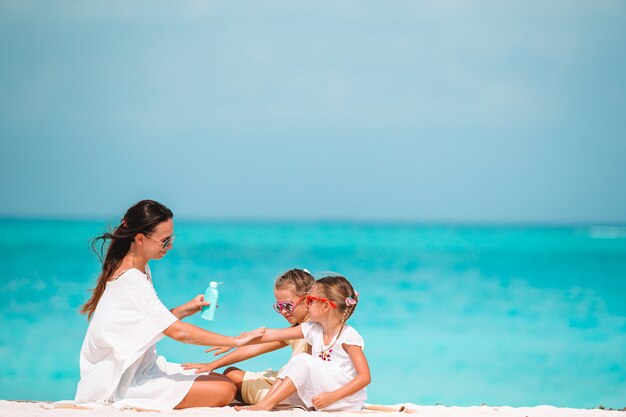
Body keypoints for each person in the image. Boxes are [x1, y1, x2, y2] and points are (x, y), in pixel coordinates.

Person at [75, 200, 264, 411]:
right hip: (121, 381)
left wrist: (184, 309)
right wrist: (234, 341)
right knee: (224, 390)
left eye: (171, 239)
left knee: (219, 380)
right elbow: (177, 332)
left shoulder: (140, 268)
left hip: (141, 368)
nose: (170, 246)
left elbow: (150, 321)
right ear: (140, 239)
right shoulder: (132, 278)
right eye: (165, 241)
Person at [236, 275, 370, 412]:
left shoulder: (348, 336)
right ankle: (266, 403)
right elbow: (273, 334)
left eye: (311, 300)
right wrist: (236, 341)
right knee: (292, 367)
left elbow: (364, 377)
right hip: (322, 394)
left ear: (325, 305)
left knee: (302, 359)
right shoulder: (313, 328)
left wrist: (332, 396)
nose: (306, 304)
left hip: (344, 399)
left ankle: (266, 404)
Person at [182, 268, 315, 405]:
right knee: (230, 372)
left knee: (229, 378)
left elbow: (268, 336)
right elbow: (257, 347)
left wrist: (232, 342)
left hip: (291, 390)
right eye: (278, 306)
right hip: (283, 379)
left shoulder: (314, 328)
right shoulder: (297, 328)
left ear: (307, 300)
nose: (283, 311)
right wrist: (212, 364)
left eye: (287, 305)